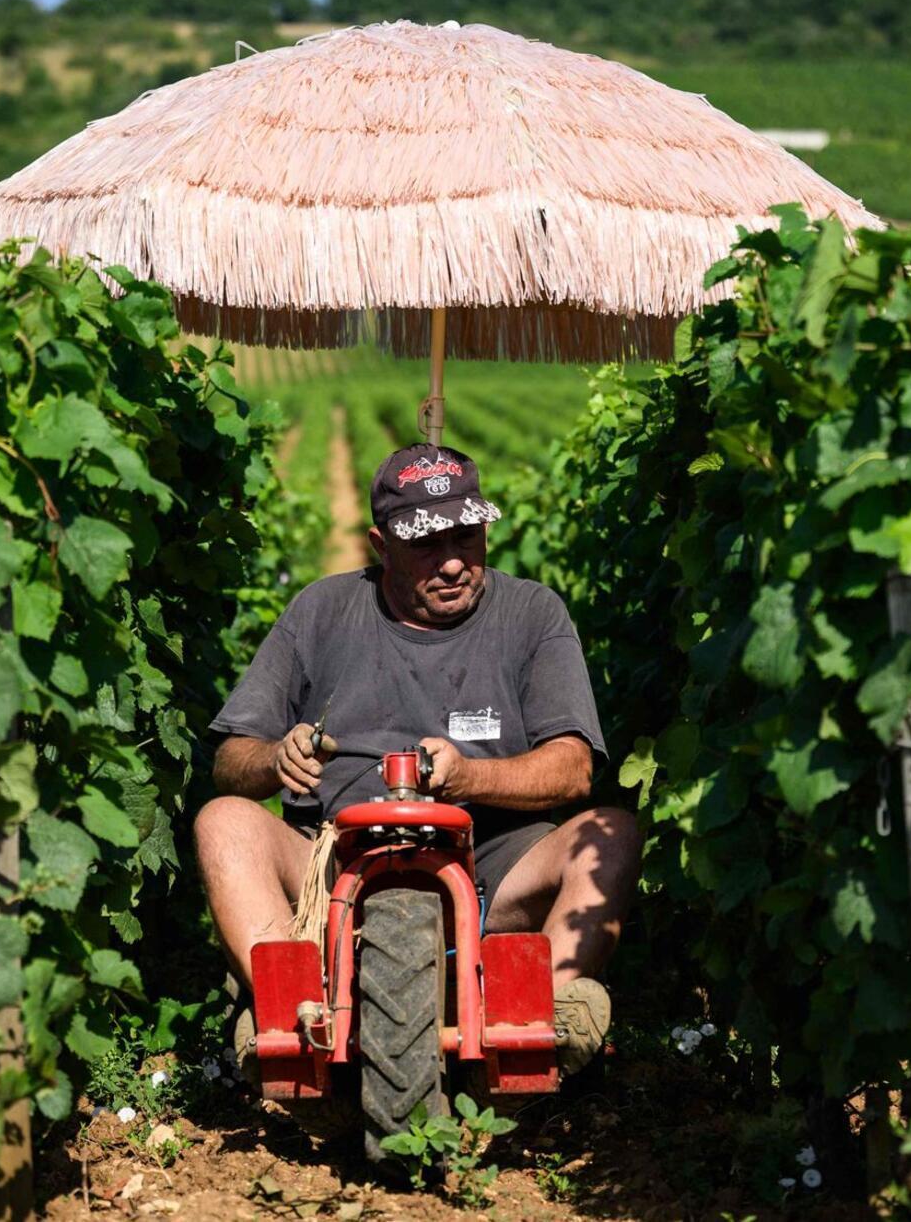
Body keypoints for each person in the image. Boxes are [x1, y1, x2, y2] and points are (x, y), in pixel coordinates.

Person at [195, 442, 639, 1079]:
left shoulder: (532, 614)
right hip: (332, 865)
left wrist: (470, 776)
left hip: (493, 867)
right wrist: (274, 758)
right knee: (222, 823)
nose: (453, 562)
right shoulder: (321, 610)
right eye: (427, 544)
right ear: (381, 546)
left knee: (612, 835)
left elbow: (572, 768)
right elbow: (231, 759)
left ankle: (539, 1021)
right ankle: (290, 1017)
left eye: (467, 537)